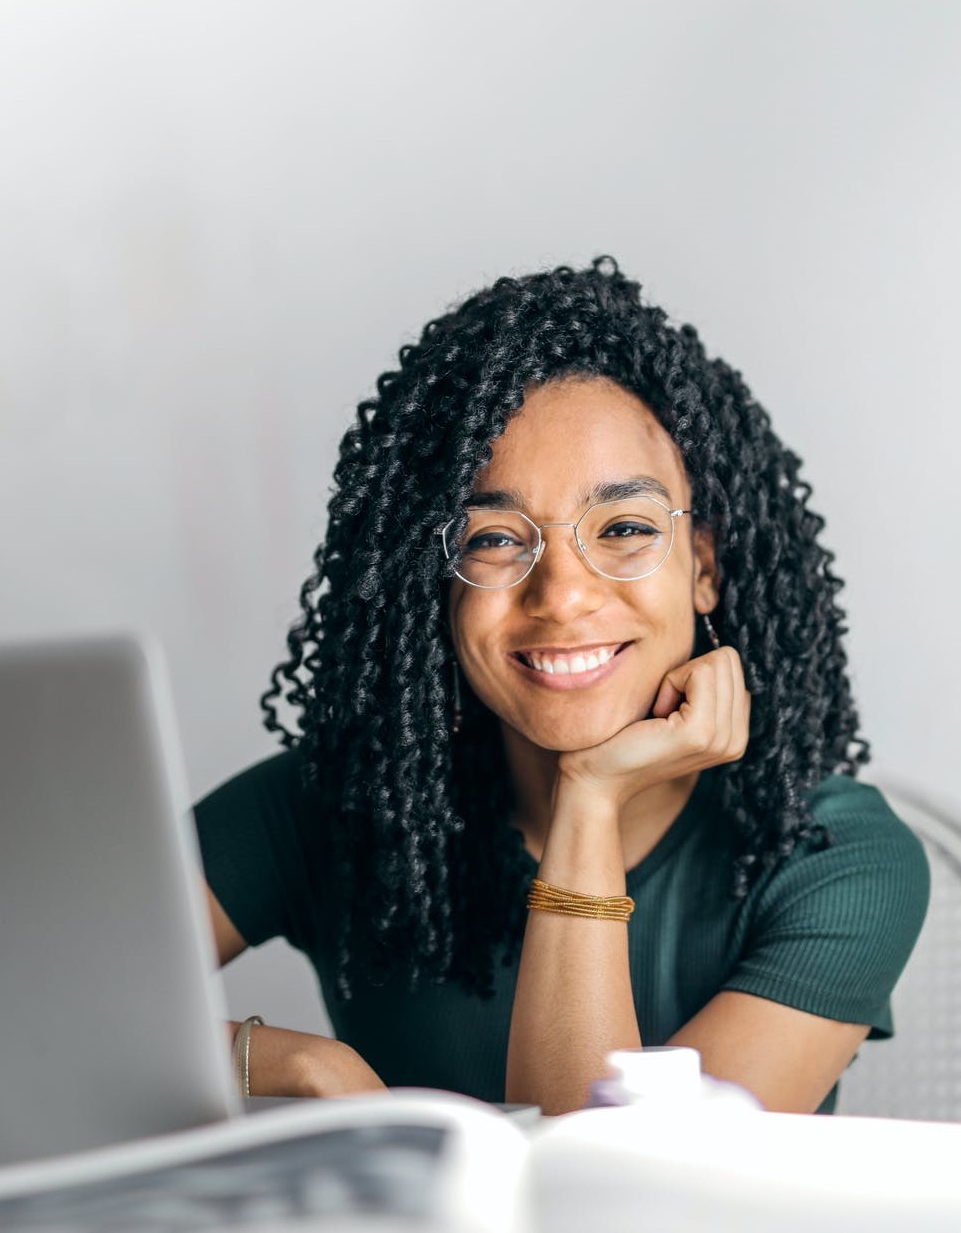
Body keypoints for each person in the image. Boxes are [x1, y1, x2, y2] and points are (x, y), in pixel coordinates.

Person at [194, 257, 929, 1115]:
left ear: (704, 565)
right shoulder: (335, 803)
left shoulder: (832, 855)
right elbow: (20, 999)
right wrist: (283, 1061)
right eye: (495, 539)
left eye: (622, 527)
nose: (564, 594)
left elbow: (612, 1195)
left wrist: (590, 797)